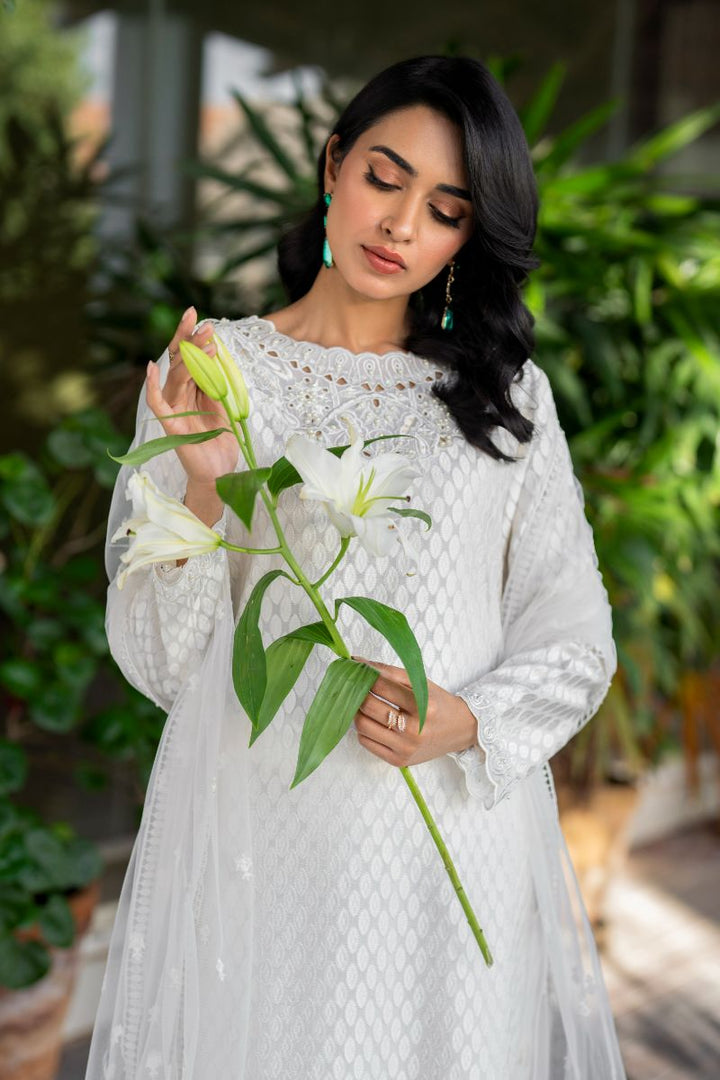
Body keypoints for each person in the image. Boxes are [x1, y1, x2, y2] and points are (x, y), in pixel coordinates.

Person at [86, 55, 627, 1079]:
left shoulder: (505, 398)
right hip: (264, 846)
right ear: (334, 165)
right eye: (386, 177)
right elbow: (163, 662)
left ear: (469, 235)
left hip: (450, 841)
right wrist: (205, 486)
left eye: (447, 210)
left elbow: (576, 636)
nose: (402, 226)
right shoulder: (216, 375)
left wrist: (470, 720)